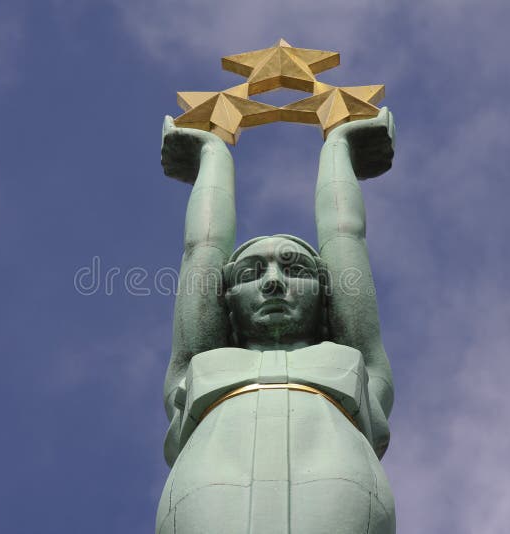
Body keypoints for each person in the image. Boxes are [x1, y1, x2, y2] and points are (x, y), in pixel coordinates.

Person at [156, 109, 396, 534]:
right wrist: (212, 153)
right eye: (250, 273)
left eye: (295, 269)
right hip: (210, 481)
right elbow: (203, 247)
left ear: (327, 295)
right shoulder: (198, 365)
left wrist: (339, 146)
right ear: (225, 301)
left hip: (337, 478)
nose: (273, 283)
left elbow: (345, 237)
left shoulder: (355, 361)